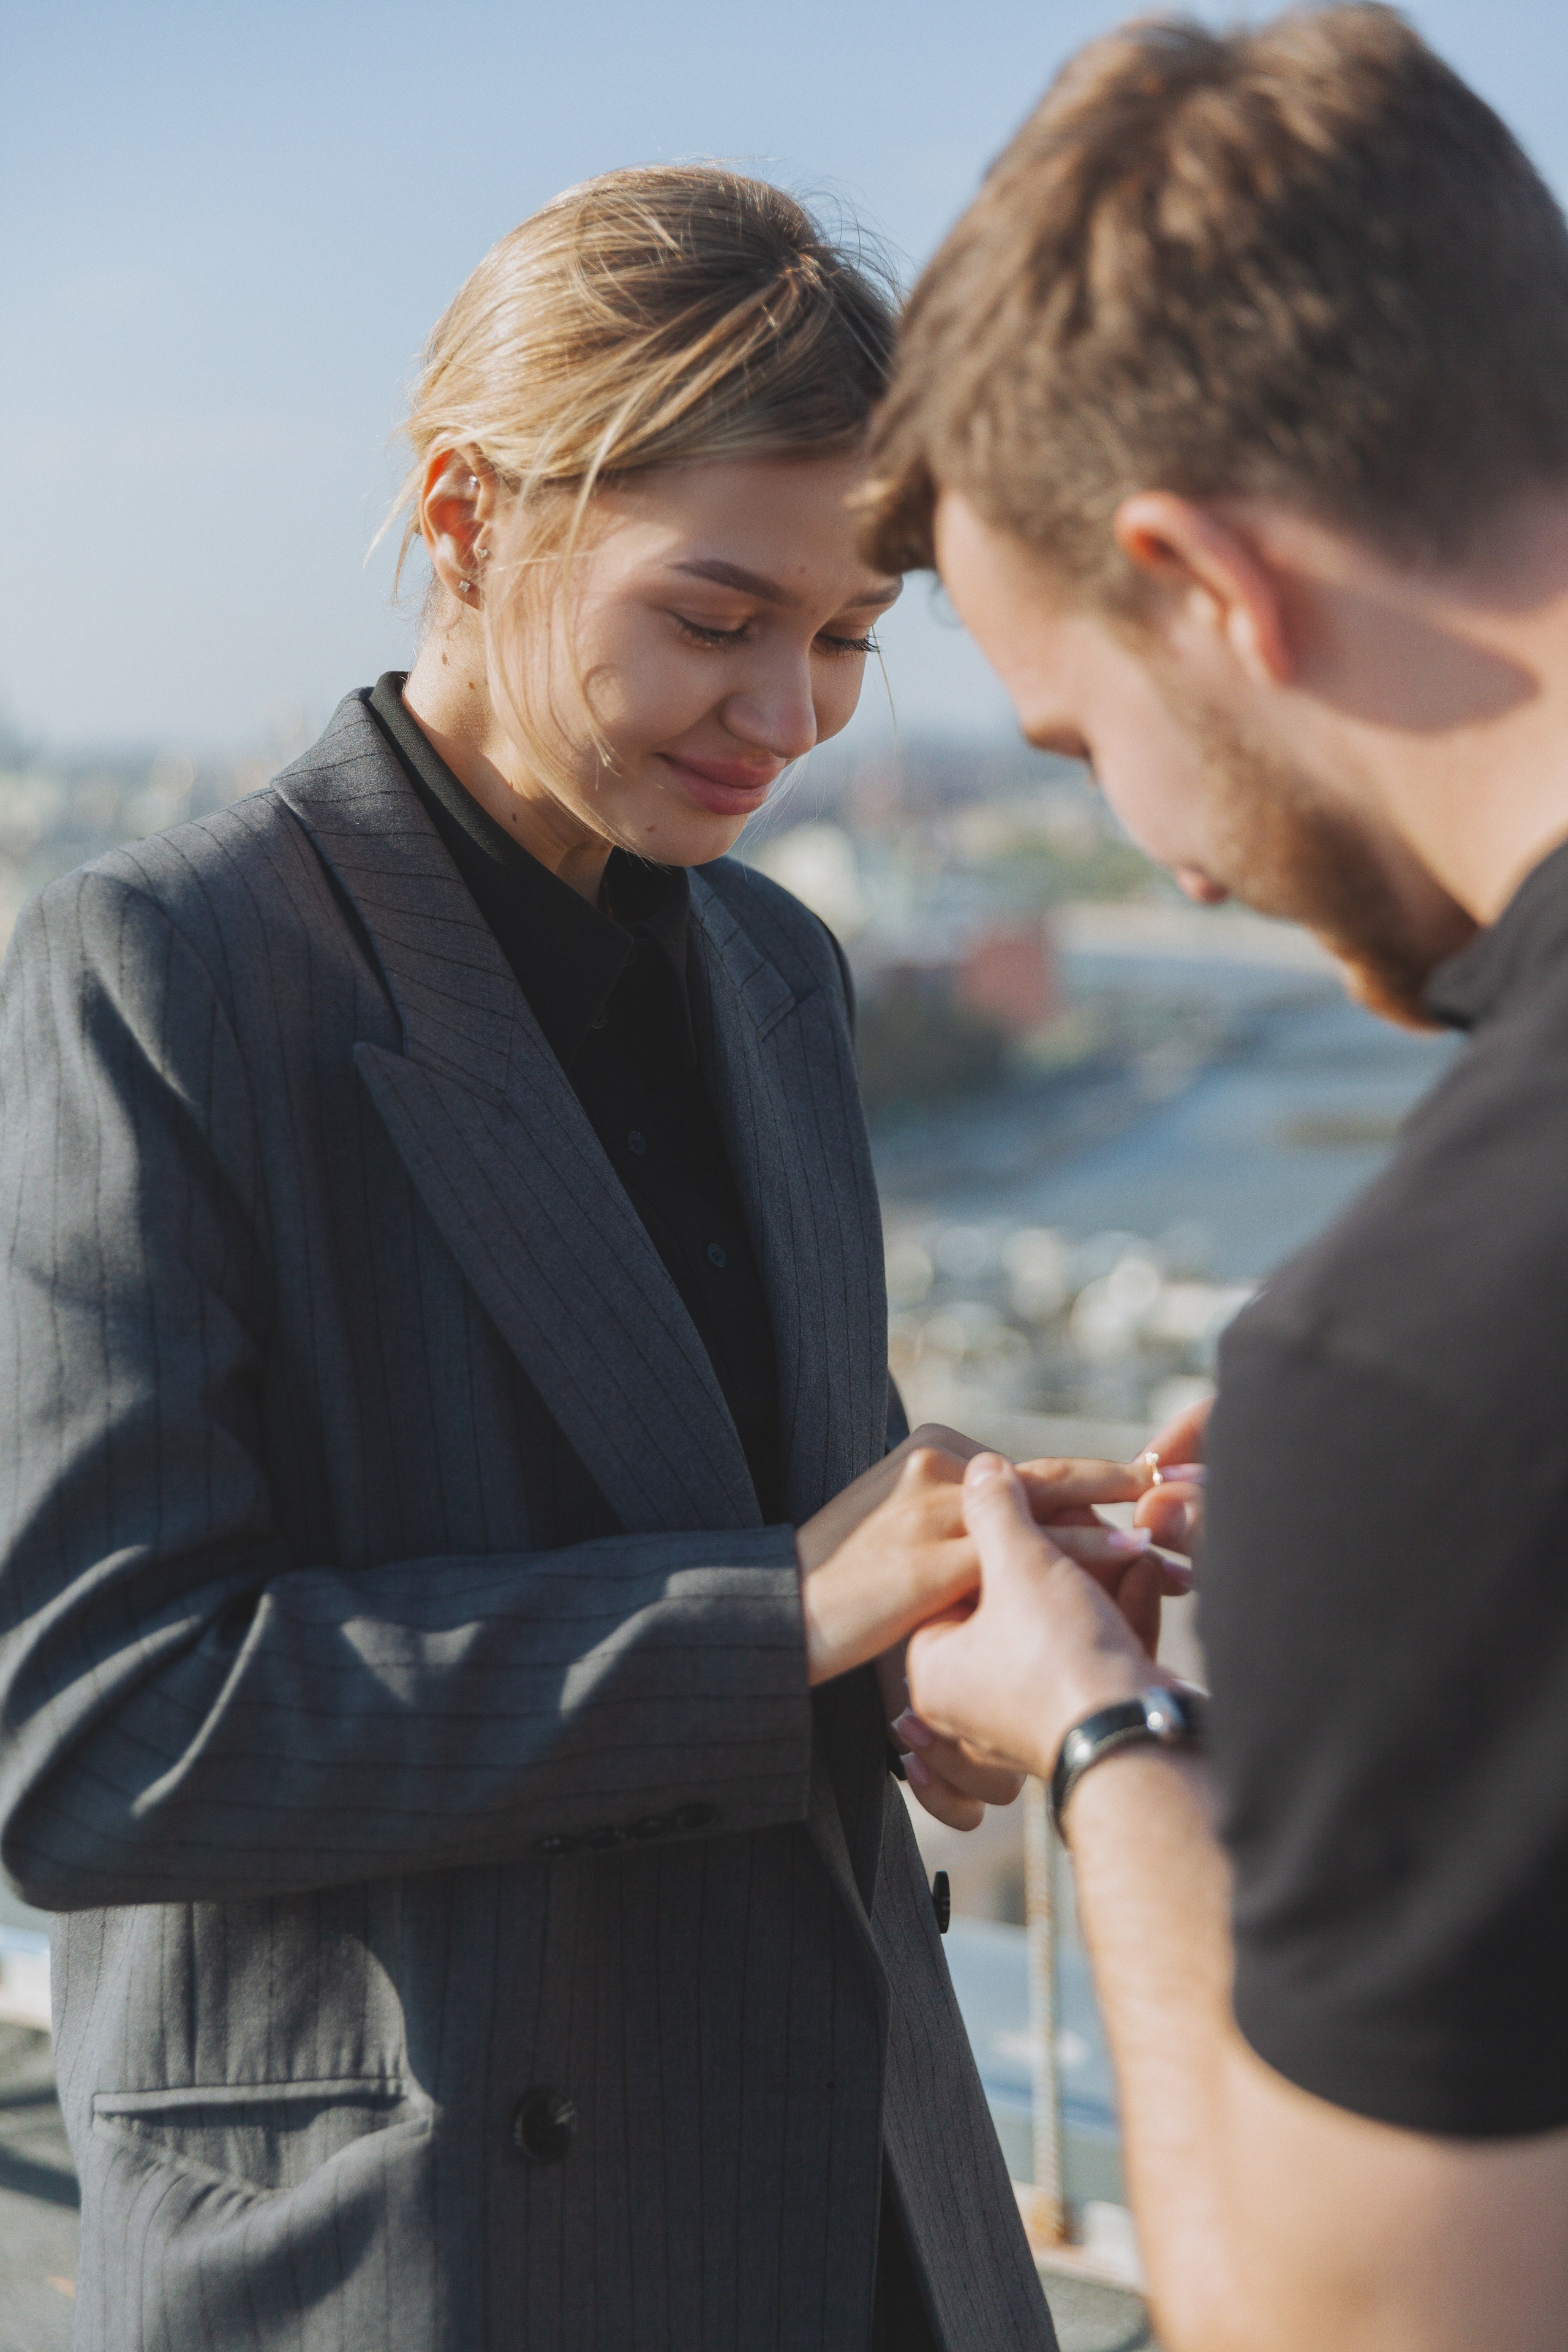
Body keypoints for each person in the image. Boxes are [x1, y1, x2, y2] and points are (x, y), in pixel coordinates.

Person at [0, 168, 1172, 2351]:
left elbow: (767, 1536)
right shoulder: (165, 968)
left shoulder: (780, 969)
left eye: (851, 637)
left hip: (877, 2203)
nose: (793, 715)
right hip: (438, 2256)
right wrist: (784, 1616)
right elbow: (92, 1738)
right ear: (466, 514)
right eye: (719, 618)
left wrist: (949, 1624)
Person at [858, 9, 1568, 2350]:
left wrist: (1105, 1734)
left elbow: (1332, 2328)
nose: (1164, 860)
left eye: (1085, 736)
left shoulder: (1431, 1362)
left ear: (1203, 587)